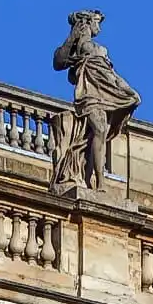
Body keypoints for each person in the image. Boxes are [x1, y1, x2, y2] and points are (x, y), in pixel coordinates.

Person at [47, 10, 136, 200]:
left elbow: (111, 76)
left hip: (105, 92)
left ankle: (93, 180)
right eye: (97, 22)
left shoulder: (100, 50)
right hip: (88, 93)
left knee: (100, 133)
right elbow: (59, 61)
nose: (99, 27)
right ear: (87, 23)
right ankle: (100, 183)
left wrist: (129, 92)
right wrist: (72, 36)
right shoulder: (78, 44)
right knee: (99, 130)